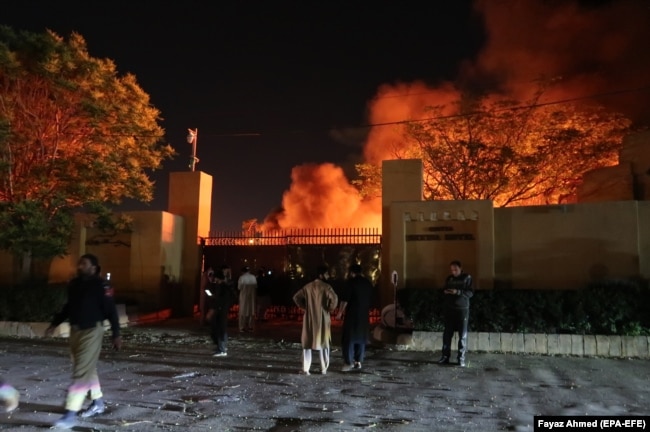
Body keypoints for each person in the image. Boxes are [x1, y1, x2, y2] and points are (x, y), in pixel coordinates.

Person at [46, 253, 122, 429]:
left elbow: (111, 311)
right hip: (75, 332)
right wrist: (54, 324)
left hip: (92, 331)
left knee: (81, 372)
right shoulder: (74, 284)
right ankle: (98, 402)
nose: (80, 267)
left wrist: (116, 334)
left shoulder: (102, 286)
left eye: (84, 264)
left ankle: (70, 415)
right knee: (87, 368)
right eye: (79, 264)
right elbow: (68, 307)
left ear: (93, 268)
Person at [293, 265, 338, 375]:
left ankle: (305, 369)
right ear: (321, 275)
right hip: (323, 317)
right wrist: (329, 309)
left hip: (309, 316)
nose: (328, 276)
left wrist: (304, 307)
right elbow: (334, 299)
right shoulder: (326, 287)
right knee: (324, 343)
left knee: (307, 343)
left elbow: (296, 297)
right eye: (326, 274)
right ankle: (323, 368)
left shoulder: (308, 286)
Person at [437, 260, 473, 367]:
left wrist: (458, 292)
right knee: (447, 334)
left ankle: (461, 358)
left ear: (461, 268)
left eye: (456, 269)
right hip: (450, 309)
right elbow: (444, 289)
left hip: (462, 309)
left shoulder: (467, 278)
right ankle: (445, 357)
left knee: (462, 335)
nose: (454, 272)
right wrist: (445, 291)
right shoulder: (449, 278)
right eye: (452, 270)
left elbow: (470, 292)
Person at [337, 263, 373, 372]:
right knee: (361, 339)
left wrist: (340, 313)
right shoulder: (367, 283)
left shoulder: (351, 283)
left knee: (349, 339)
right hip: (364, 315)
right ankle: (358, 361)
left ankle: (348, 362)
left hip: (352, 315)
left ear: (352, 272)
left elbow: (345, 300)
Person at [206, 270, 235, 357]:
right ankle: (222, 347)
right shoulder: (226, 286)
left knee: (219, 329)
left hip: (220, 310)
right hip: (222, 310)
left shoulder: (222, 287)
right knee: (221, 329)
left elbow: (219, 300)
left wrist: (213, 309)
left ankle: (221, 349)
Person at [237, 266, 257, 333]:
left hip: (243, 297)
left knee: (242, 312)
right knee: (251, 312)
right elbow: (255, 286)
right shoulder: (253, 277)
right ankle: (250, 327)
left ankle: (242, 327)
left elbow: (239, 288)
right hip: (251, 297)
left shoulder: (241, 278)